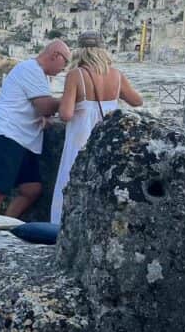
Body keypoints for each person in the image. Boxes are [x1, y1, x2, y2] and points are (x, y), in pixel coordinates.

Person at [50, 31, 143, 224]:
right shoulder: (116, 75)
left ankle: (62, 227)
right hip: (107, 143)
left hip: (80, 141)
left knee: (70, 184)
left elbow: (66, 114)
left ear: (80, 51)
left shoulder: (76, 75)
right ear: (102, 50)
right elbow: (137, 100)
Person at [0, 40, 71, 218]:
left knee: (32, 189)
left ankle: (5, 225)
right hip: (6, 134)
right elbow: (44, 105)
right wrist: (70, 98)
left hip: (23, 140)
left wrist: (44, 116)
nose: (64, 69)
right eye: (65, 63)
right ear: (55, 56)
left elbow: (35, 105)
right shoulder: (30, 70)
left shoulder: (40, 75)